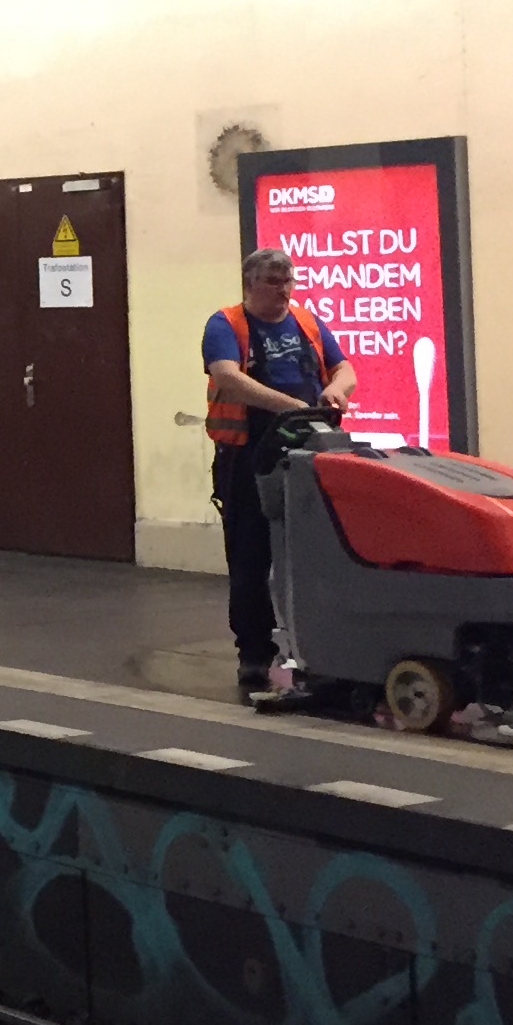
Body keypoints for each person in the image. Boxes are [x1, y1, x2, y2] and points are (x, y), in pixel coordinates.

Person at [204, 246, 359, 700]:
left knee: (314, 553)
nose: (284, 290)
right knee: (250, 558)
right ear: (250, 282)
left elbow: (344, 367)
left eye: (289, 280)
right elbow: (228, 377)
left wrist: (336, 390)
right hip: (247, 456)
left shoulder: (306, 322)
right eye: (274, 281)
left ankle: (321, 649)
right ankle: (255, 653)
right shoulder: (226, 324)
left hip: (306, 452)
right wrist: (292, 407)